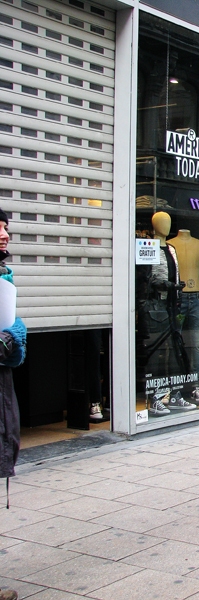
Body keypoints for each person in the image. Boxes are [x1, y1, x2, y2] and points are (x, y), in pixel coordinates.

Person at [0, 209, 25, 600]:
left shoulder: (5, 276)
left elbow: (15, 333)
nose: (4, 235)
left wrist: (12, 337)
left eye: (6, 228)